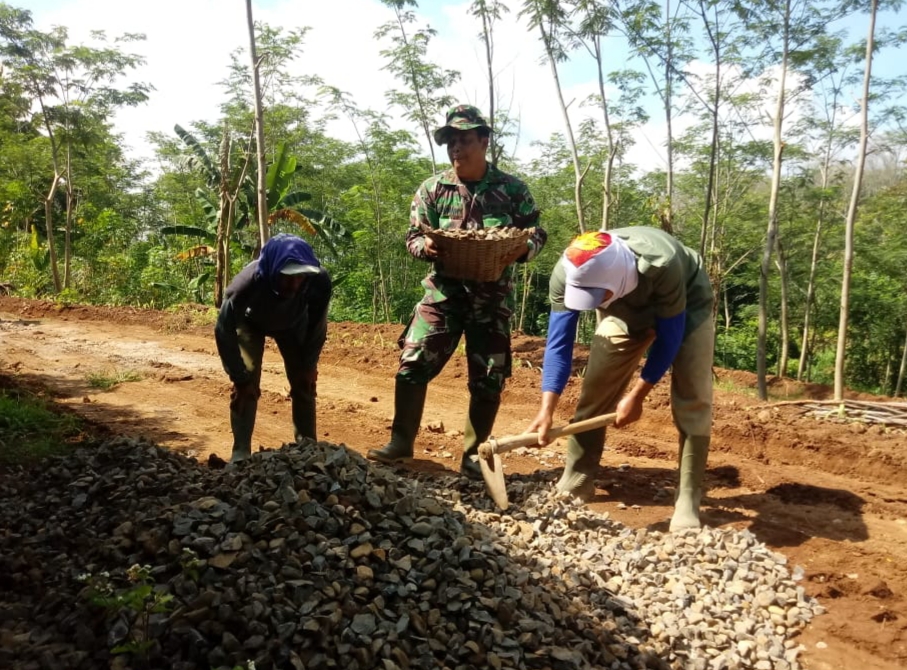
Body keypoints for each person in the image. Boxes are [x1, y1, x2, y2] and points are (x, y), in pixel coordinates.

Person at [367, 104, 547, 479]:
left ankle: (472, 456)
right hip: (443, 296)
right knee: (412, 363)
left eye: (464, 140)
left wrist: (523, 249)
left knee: (489, 378)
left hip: (492, 299)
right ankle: (401, 442)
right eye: (450, 142)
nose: (456, 149)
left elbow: (536, 232)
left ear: (484, 141)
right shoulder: (433, 190)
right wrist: (424, 248)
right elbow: (413, 236)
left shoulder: (512, 190)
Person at [526, 226, 714, 531]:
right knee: (597, 385)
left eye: (596, 296)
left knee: (693, 393)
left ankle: (688, 496)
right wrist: (546, 410)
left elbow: (670, 337)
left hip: (687, 301)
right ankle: (578, 477)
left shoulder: (661, 264)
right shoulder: (567, 270)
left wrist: (637, 395)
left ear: (616, 277)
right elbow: (559, 344)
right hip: (625, 308)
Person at [214, 233, 332, 463]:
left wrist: (310, 365)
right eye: (287, 277)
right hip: (251, 323)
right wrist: (238, 376)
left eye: (299, 278)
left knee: (304, 383)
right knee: (246, 384)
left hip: (293, 324)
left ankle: (308, 449)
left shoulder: (318, 280)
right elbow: (223, 329)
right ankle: (240, 453)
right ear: (273, 270)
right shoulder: (246, 283)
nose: (294, 284)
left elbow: (318, 325)